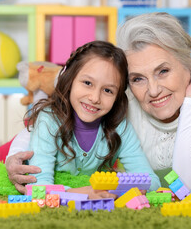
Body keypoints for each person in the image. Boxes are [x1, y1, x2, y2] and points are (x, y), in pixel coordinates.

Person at [3, 12, 191, 196]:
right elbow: (55, 117)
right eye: (137, 78)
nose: (153, 90)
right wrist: (14, 157)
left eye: (163, 71)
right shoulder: (120, 98)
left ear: (188, 63)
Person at [9, 40, 160, 198]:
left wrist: (118, 189)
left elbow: (151, 181)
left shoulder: (120, 128)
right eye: (87, 83)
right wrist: (80, 193)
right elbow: (39, 186)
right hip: (11, 155)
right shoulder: (49, 119)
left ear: (117, 97)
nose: (95, 98)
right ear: (70, 79)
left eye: (108, 90)